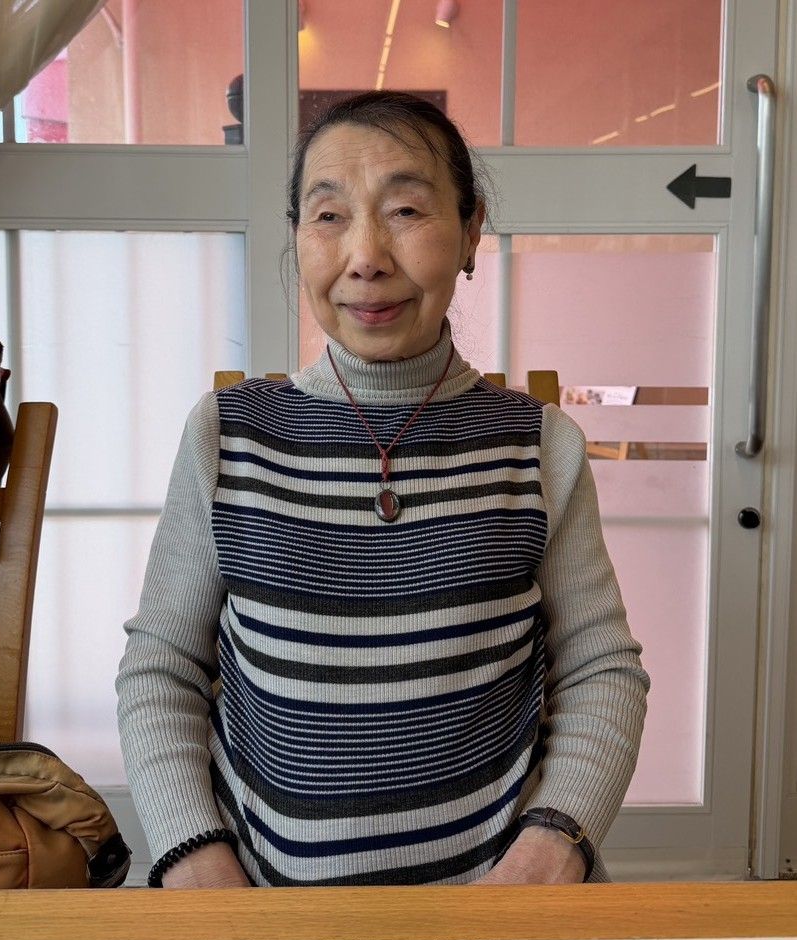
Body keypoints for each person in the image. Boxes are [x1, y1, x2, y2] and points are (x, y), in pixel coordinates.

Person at [116, 91, 649, 889]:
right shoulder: (227, 435)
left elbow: (601, 669)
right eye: (328, 216)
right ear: (298, 238)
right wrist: (194, 856)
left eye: (404, 210)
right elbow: (161, 666)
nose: (365, 256)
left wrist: (552, 848)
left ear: (469, 231)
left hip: (494, 910)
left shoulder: (538, 445)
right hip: (260, 907)